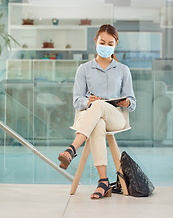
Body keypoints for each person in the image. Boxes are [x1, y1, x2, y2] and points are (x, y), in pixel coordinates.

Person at [58, 24, 136, 199]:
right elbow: (77, 101)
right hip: (90, 117)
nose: (106, 46)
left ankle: (72, 149)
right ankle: (103, 182)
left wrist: (126, 102)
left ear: (116, 44)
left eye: (110, 43)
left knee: (100, 106)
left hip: (115, 117)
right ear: (95, 41)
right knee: (97, 121)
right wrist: (88, 101)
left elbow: (133, 102)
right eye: (102, 42)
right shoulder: (83, 69)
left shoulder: (123, 70)